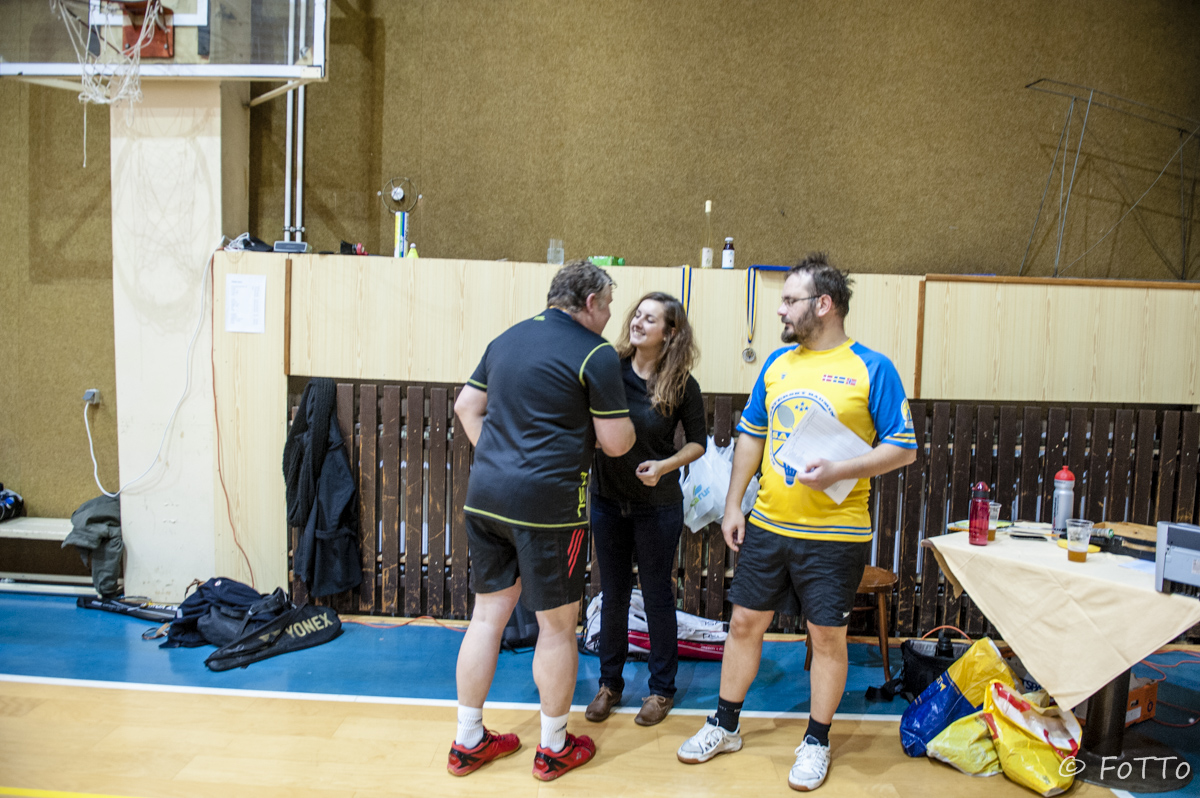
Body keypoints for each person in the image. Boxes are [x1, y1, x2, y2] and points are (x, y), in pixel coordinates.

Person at [676, 253, 916, 792]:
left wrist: (841, 470)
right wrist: (734, 505)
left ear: (823, 304)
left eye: (790, 300)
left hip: (836, 535)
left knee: (826, 637)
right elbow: (751, 436)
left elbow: (903, 447)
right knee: (744, 624)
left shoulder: (872, 368)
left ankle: (816, 740)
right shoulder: (777, 365)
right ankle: (725, 724)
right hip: (769, 526)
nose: (780, 310)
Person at [448, 260, 636, 781]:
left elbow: (466, 406)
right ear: (590, 303)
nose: (610, 317)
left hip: (486, 497)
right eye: (608, 306)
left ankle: (467, 742)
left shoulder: (506, 339)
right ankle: (553, 748)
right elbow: (616, 444)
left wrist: (502, 460)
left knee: (487, 617)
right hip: (548, 509)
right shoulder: (595, 353)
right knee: (556, 628)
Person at [584, 292, 706, 728]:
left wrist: (666, 465)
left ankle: (661, 690)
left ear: (670, 333)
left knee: (656, 595)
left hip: (658, 506)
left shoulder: (682, 384)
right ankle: (609, 685)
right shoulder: (608, 369)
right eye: (636, 314)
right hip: (607, 501)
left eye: (649, 318)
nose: (637, 322)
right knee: (613, 593)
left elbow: (698, 443)